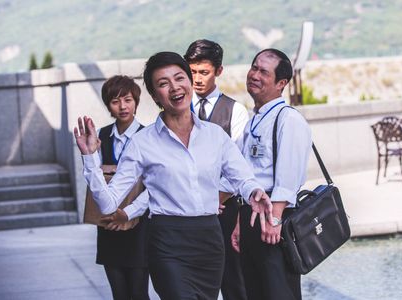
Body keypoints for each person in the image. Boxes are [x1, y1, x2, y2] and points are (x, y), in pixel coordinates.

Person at [74, 51, 274, 300]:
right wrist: (91, 159)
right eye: (163, 83)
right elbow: (107, 203)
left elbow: (243, 177)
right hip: (167, 241)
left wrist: (254, 192)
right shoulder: (142, 142)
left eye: (179, 78)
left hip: (209, 240)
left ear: (189, 82)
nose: (174, 87)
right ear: (155, 95)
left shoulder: (215, 136)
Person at [226, 49, 312, 300]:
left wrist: (275, 219)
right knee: (254, 291)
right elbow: (245, 172)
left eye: (264, 72)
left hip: (275, 218)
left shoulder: (288, 119)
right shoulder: (255, 119)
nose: (254, 75)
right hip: (251, 215)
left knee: (278, 291)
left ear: (281, 83)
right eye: (254, 68)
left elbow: (289, 173)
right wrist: (240, 224)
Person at [184, 39, 249, 300]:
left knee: (234, 283)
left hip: (225, 212)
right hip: (186, 212)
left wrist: (214, 198)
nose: (197, 79)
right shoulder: (178, 109)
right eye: (192, 72)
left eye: (204, 72)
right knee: (195, 284)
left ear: (219, 71)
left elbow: (238, 166)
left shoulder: (236, 111)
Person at [94, 75, 149, 300]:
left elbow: (154, 184)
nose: (123, 106)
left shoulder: (148, 135)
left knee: (138, 293)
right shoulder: (102, 135)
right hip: (109, 225)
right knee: (119, 293)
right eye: (115, 101)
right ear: (108, 105)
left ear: (136, 101)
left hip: (139, 225)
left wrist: (127, 214)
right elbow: (95, 179)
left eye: (127, 99)